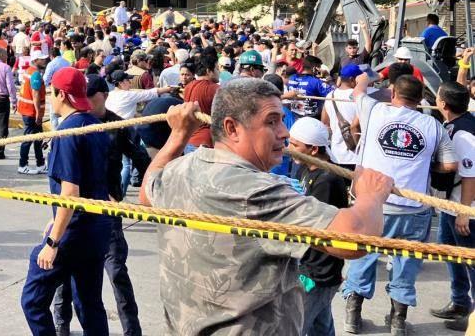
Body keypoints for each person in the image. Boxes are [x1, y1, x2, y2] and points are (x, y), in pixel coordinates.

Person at [140, 78, 395, 335]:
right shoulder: (255, 190)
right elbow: (353, 237)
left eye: (282, 120)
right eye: (271, 121)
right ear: (232, 128)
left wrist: (179, 134)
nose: (284, 132)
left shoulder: (182, 168)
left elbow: (147, 192)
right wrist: (371, 195)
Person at [342, 72, 457, 335]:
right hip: (414, 208)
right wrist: (424, 165)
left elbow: (359, 87)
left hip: (374, 204)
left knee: (364, 256)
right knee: (406, 262)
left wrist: (371, 77)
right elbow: (450, 165)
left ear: (393, 94)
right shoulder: (433, 125)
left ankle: (352, 318)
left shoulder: (374, 110)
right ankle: (397, 323)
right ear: (420, 99)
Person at [53, 74, 150, 336]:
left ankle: (132, 330)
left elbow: (142, 159)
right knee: (63, 276)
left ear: (103, 97)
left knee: (117, 272)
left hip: (107, 214)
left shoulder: (117, 126)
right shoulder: (74, 124)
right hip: (74, 214)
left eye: (90, 96)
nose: (84, 101)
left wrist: (146, 194)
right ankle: (61, 325)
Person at [20, 68, 112, 336]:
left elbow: (70, 192)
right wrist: (56, 216)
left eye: (51, 92)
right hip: (97, 226)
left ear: (60, 94)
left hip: (76, 231)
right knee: (88, 302)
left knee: (33, 300)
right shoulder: (95, 124)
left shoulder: (67, 131)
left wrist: (52, 242)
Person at [289, 117, 349, 336]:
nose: (289, 149)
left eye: (295, 145)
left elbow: (318, 227)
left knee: (297, 325)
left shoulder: (327, 179)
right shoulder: (304, 169)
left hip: (318, 271)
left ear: (313, 149)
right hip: (309, 264)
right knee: (321, 325)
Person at [430, 81, 475, 331]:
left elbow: (471, 175)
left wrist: (463, 213)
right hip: (451, 206)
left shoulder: (464, 134)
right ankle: (459, 302)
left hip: (463, 209)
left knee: (470, 261)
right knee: (452, 256)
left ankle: (474, 316)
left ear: (443, 103)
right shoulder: (454, 125)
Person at [321, 64, 363, 172]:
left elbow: (324, 123)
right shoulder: (359, 97)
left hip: (335, 154)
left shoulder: (330, 95)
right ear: (352, 79)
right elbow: (356, 125)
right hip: (355, 155)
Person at [18, 51, 49, 175]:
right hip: (31, 112)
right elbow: (35, 94)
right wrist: (38, 113)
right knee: (29, 138)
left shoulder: (29, 71)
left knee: (38, 138)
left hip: (28, 110)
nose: (45, 61)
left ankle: (40, 164)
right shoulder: (35, 74)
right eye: (42, 59)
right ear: (36, 61)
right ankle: (22, 165)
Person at [182, 55, 218, 151]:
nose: (219, 72)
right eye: (217, 69)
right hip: (206, 142)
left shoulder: (188, 86)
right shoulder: (214, 88)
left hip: (189, 139)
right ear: (208, 71)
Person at [105, 69, 173, 120]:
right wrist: (169, 89)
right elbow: (151, 93)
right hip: (125, 129)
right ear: (121, 83)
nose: (130, 83)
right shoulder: (127, 95)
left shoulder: (110, 94)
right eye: (128, 80)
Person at [44, 47, 71, 130]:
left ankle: (55, 135)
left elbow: (45, 79)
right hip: (67, 90)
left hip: (56, 90)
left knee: (54, 114)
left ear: (51, 56)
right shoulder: (67, 62)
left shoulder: (51, 64)